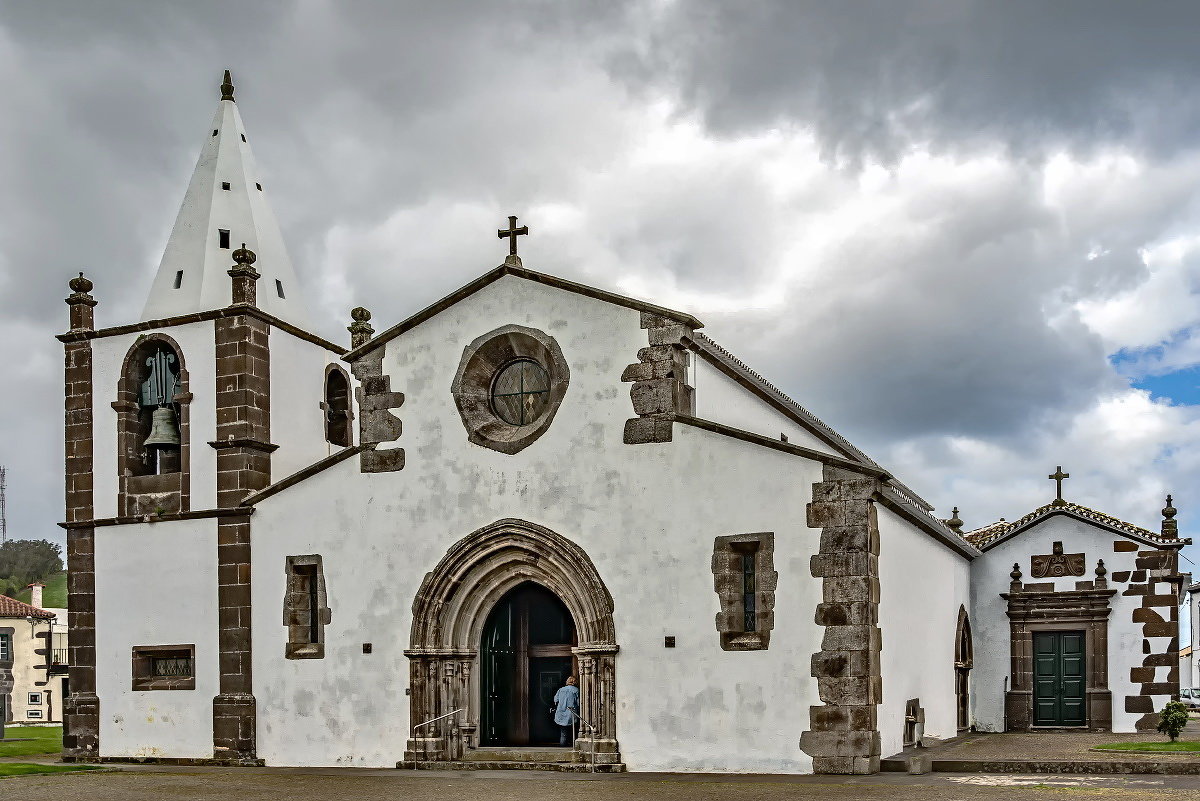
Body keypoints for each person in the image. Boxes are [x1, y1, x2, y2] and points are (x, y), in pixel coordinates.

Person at [551, 675, 580, 746]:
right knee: (573, 732)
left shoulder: (561, 689)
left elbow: (555, 700)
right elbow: (579, 703)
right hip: (571, 714)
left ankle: (562, 749)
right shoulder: (576, 690)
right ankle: (573, 746)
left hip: (561, 713)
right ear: (574, 682)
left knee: (563, 733)